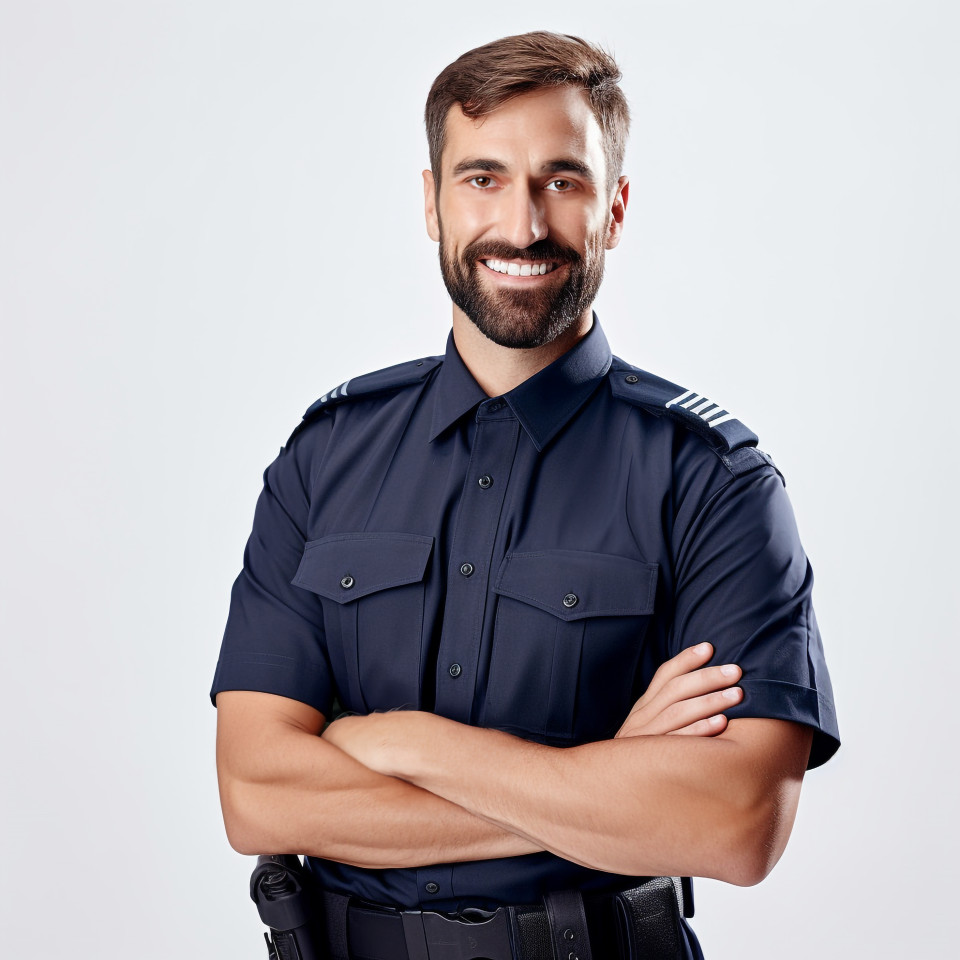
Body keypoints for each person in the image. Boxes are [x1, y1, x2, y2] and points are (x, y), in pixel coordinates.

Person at [211, 31, 839, 960]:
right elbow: (256, 794)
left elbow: (736, 823)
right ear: (430, 202)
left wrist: (409, 741)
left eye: (562, 180)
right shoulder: (324, 457)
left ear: (614, 208)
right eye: (482, 179)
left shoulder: (713, 481)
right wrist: (609, 785)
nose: (522, 225)